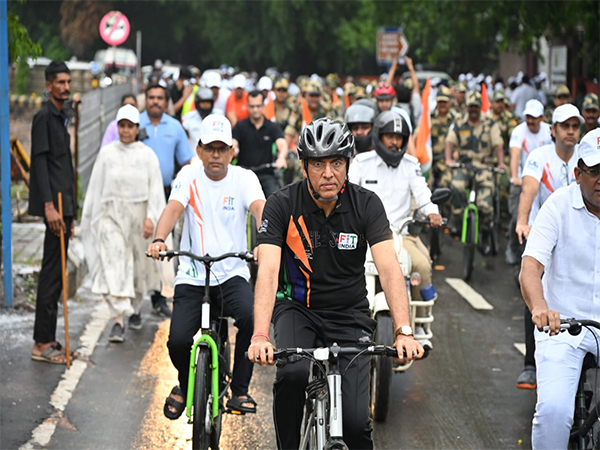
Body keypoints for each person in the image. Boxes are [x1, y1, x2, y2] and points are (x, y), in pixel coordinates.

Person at [247, 118, 423, 450]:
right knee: (292, 376)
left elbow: (389, 269)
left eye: (337, 162)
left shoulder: (366, 204)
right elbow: (268, 271)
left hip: (349, 316)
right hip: (298, 310)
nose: (328, 173)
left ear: (348, 164)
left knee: (357, 427)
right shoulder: (282, 204)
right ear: (303, 165)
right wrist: (259, 335)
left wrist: (403, 330)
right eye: (318, 163)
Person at [148, 114, 266, 419]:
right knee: (176, 342)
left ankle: (239, 390)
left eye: (222, 148)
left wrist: (266, 241)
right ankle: (186, 386)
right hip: (192, 274)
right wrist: (160, 239)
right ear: (198, 150)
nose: (216, 155)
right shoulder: (188, 176)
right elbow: (173, 208)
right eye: (209, 148)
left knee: (251, 319)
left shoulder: (245, 179)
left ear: (231, 151)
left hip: (232, 272)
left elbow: (259, 210)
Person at [519, 128, 600, 450]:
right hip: (562, 326)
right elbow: (530, 268)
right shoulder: (557, 205)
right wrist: (540, 307)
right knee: (553, 412)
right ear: (578, 173)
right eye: (595, 172)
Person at [349, 111, 443, 348]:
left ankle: (419, 324)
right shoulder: (361, 162)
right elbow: (348, 193)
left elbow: (422, 194)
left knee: (422, 265)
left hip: (401, 233)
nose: (394, 142)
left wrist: (432, 212)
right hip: (364, 235)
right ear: (379, 136)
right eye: (390, 136)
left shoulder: (411, 165)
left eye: (399, 137)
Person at [81, 105, 167, 342]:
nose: (126, 130)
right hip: (112, 217)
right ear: (117, 127)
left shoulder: (147, 155)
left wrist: (151, 217)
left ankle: (136, 308)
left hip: (139, 217)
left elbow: (155, 190)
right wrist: (93, 219)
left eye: (130, 126)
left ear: (137, 128)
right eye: (122, 126)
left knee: (139, 266)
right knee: (115, 263)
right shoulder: (107, 154)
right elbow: (96, 188)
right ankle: (118, 319)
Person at [514, 104, 583, 390]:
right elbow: (529, 189)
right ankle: (531, 364)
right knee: (534, 290)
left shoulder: (588, 157)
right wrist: (522, 221)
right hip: (544, 232)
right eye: (564, 126)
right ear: (552, 130)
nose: (570, 131)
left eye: (575, 126)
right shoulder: (539, 156)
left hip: (579, 234)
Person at [29, 61, 77, 364]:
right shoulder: (44, 117)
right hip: (54, 207)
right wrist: (49, 206)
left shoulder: (61, 117)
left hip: (65, 208)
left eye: (68, 82)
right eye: (60, 82)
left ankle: (48, 337)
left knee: (58, 276)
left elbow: (64, 167)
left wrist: (70, 213)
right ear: (48, 86)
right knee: (50, 275)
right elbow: (41, 163)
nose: (66, 87)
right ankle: (41, 343)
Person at [139, 84, 195, 317]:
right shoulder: (135, 123)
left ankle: (159, 297)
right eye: (151, 97)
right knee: (138, 246)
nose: (155, 102)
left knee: (161, 244)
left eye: (159, 98)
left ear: (166, 102)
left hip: (164, 193)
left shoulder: (174, 127)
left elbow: (186, 161)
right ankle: (133, 302)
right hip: (137, 194)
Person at [445, 91, 505, 249]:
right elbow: (449, 142)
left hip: (484, 167)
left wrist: (500, 163)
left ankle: (485, 232)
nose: (473, 109)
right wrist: (449, 159)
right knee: (456, 187)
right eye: (471, 106)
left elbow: (498, 145)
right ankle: (457, 220)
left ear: (480, 107)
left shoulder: (490, 124)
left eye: (476, 106)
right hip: (464, 166)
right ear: (467, 107)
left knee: (485, 206)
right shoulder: (459, 122)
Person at [506, 99, 552, 266]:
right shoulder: (519, 131)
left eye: (534, 117)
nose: (530, 121)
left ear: (542, 117)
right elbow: (515, 155)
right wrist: (514, 177)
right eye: (528, 117)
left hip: (544, 183)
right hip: (522, 180)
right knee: (517, 216)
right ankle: (512, 247)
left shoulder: (549, 131)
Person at [232, 91, 288, 198]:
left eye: (258, 106)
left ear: (263, 106)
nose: (255, 110)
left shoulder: (272, 126)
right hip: (244, 173)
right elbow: (233, 143)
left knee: (276, 199)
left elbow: (282, 143)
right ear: (247, 106)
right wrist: (232, 150)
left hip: (265, 174)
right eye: (252, 106)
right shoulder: (240, 126)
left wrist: (281, 157)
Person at [429, 86, 458, 190]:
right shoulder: (429, 118)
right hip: (431, 161)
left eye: (445, 102)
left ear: (450, 102)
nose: (442, 104)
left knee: (446, 185)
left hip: (448, 161)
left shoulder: (457, 119)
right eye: (440, 101)